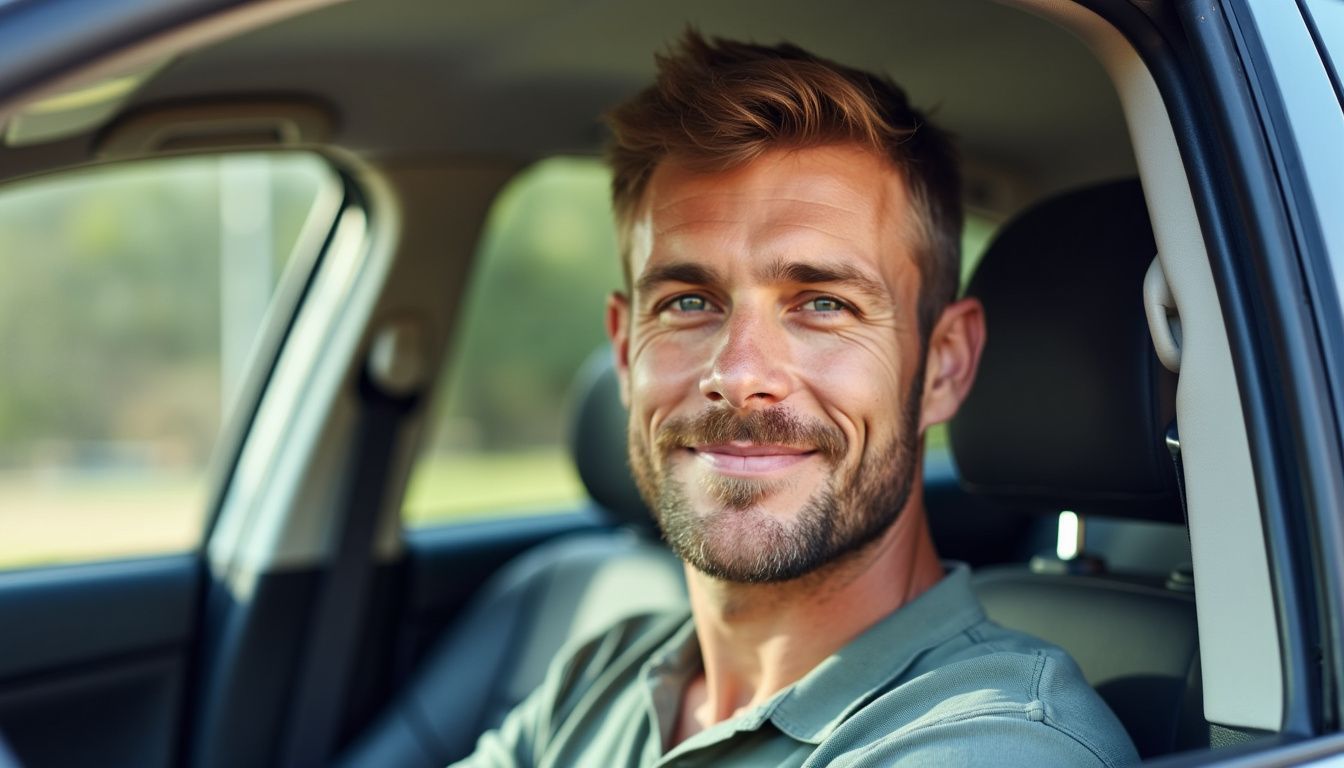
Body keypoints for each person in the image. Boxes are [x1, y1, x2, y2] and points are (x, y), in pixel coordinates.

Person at [454, 31, 1139, 767]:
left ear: (942, 365)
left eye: (822, 303)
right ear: (625, 352)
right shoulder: (602, 674)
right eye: (688, 302)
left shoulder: (998, 741)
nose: (740, 372)